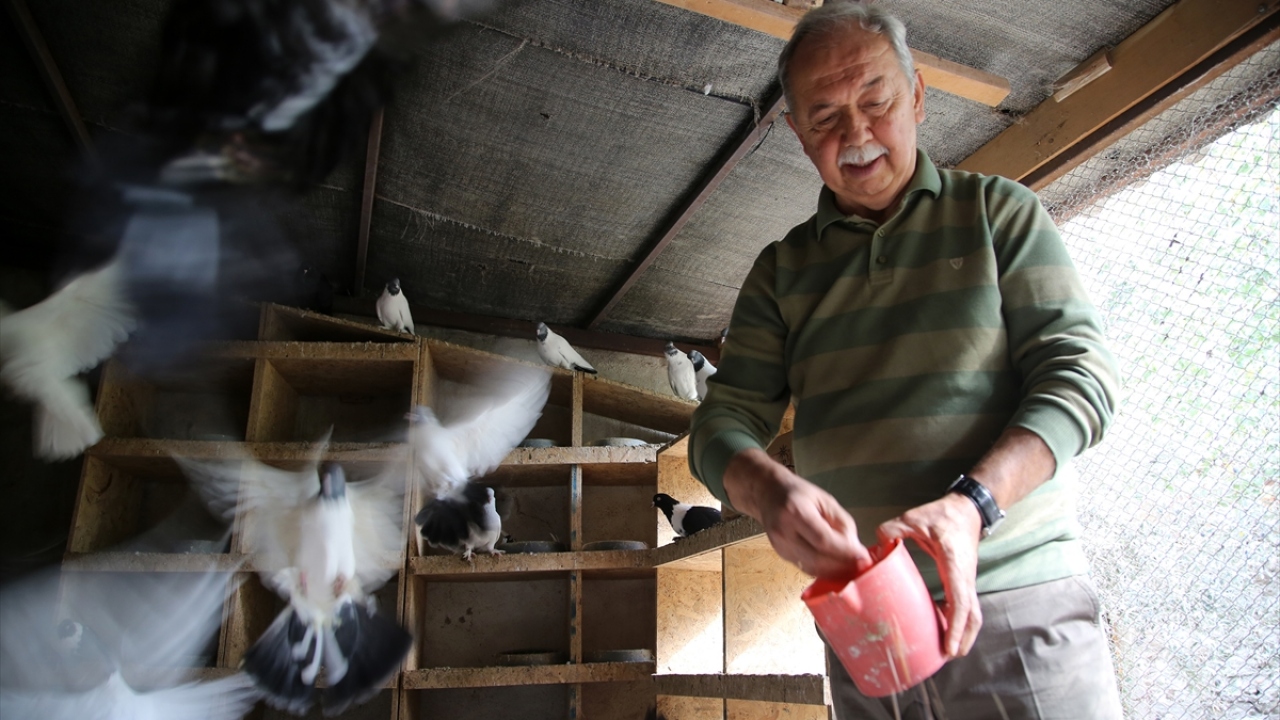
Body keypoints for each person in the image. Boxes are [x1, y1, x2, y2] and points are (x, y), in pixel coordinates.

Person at [687, 3, 1124, 718]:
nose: (855, 133)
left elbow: (1081, 378)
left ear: (918, 95)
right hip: (866, 617)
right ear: (797, 134)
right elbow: (722, 421)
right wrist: (766, 491)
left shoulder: (998, 215)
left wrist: (972, 507)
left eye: (877, 102)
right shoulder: (780, 271)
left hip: (1012, 597)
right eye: (824, 117)